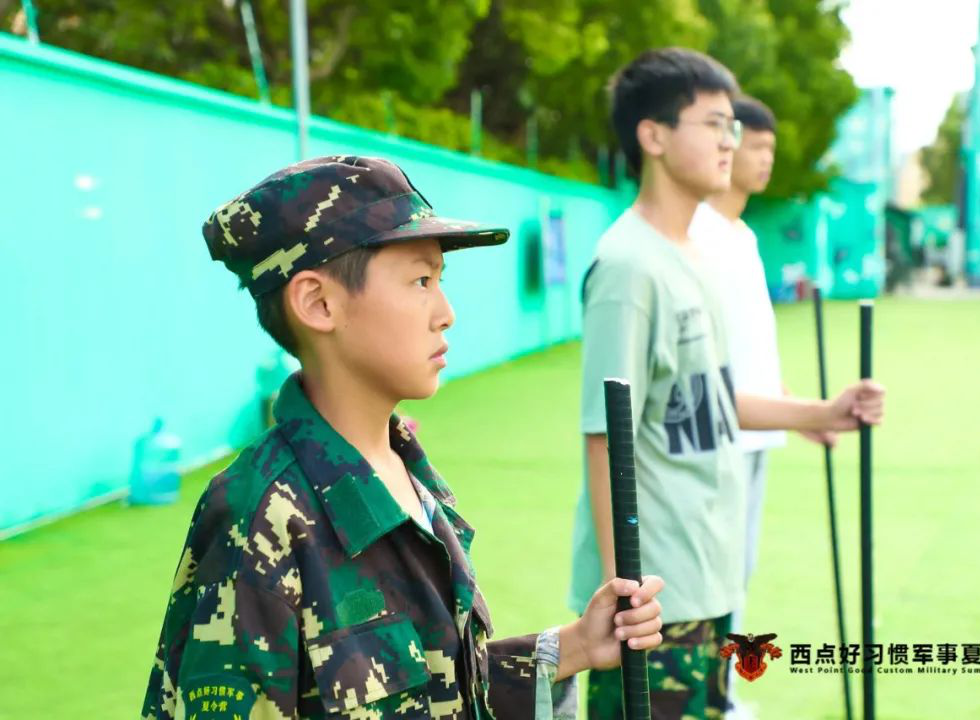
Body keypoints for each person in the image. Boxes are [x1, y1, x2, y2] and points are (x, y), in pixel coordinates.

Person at [141, 155, 666, 720]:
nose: (446, 313)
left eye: (440, 280)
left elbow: (436, 685)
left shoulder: (404, 470)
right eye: (420, 281)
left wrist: (575, 646)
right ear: (319, 303)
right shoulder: (258, 515)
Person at [568, 49, 885, 719]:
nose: (728, 140)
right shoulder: (628, 268)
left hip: (708, 574)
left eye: (731, 127)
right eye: (712, 123)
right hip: (658, 595)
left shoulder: (697, 256)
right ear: (652, 136)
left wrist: (819, 410)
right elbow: (604, 434)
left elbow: (709, 401)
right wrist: (624, 593)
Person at [688, 94, 835, 717]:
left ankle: (721, 691)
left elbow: (749, 349)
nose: (763, 158)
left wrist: (800, 412)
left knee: (735, 572)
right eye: (756, 144)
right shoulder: (696, 234)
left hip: (754, 433)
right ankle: (704, 694)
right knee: (707, 577)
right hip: (715, 437)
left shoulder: (742, 235)